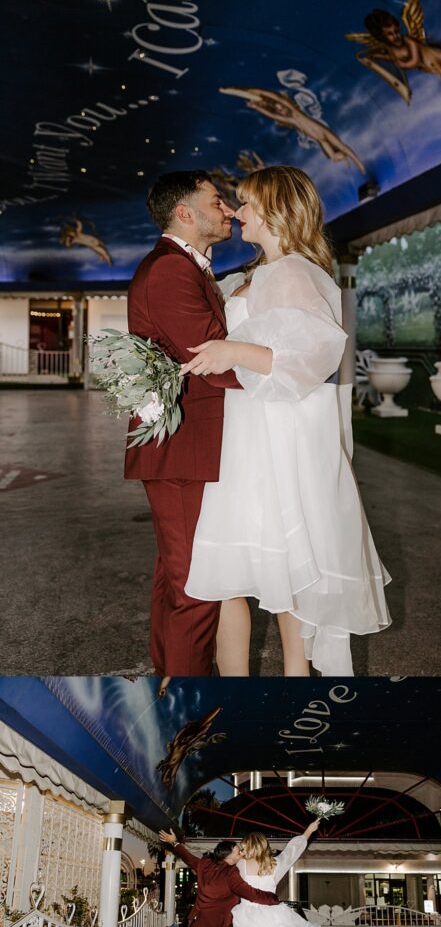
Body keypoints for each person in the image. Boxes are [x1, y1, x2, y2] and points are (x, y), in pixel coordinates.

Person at [180, 165, 391, 676]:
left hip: (282, 431)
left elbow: (310, 355)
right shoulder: (259, 272)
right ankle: (243, 685)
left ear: (275, 211)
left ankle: (297, 682)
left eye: (246, 203)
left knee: (291, 565)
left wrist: (234, 349)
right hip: (251, 427)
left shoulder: (294, 270)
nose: (237, 212)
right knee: (246, 566)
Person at [125, 171, 241, 677]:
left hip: (183, 448)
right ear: (186, 214)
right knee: (198, 586)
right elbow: (209, 357)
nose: (229, 210)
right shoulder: (172, 271)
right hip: (183, 450)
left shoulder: (184, 267)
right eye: (218, 202)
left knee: (177, 580)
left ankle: (168, 680)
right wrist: (282, 369)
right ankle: (191, 704)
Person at [158, 831, 280, 927]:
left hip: (197, 924)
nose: (242, 853)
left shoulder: (205, 864)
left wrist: (174, 842)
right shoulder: (231, 875)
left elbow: (187, 857)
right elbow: (252, 894)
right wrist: (273, 898)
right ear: (229, 859)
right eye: (239, 853)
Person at [233, 820, 329, 927]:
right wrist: (308, 831)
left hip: (245, 919)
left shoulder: (240, 864)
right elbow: (292, 851)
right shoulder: (276, 864)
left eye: (243, 848)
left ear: (250, 847)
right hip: (273, 918)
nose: (242, 852)